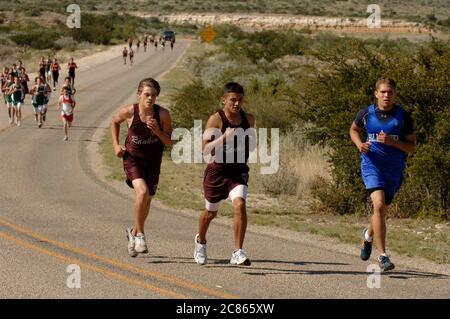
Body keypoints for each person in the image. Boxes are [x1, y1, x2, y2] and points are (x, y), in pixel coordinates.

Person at [349, 77, 416, 272]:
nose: (386, 95)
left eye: (390, 92)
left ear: (395, 95)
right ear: (376, 93)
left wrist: (393, 142)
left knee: (381, 211)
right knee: (378, 205)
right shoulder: (366, 113)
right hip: (372, 165)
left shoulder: (403, 116)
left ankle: (368, 235)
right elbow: (353, 130)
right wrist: (359, 144)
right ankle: (383, 256)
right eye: (383, 92)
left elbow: (412, 147)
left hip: (393, 169)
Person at [194, 82, 256, 266]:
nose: (236, 104)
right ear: (224, 99)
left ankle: (237, 251)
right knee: (210, 213)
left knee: (240, 204)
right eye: (232, 100)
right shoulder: (216, 119)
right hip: (217, 172)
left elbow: (251, 144)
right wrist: (224, 138)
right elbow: (204, 150)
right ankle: (201, 241)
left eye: (240, 100)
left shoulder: (249, 119)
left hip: (238, 171)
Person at [111, 78, 173, 257]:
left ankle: (133, 231)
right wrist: (116, 146)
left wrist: (157, 132)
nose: (150, 99)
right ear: (139, 94)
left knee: (148, 200)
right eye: (146, 95)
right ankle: (140, 235)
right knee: (142, 192)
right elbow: (115, 122)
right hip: (133, 160)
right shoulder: (130, 112)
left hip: (153, 162)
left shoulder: (163, 115)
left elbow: (169, 142)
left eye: (153, 95)